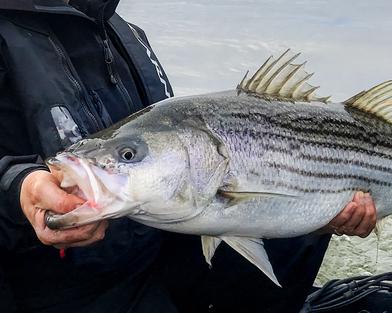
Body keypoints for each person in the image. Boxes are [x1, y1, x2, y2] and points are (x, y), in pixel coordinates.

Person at [0, 1, 377, 312]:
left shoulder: (124, 33)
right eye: (127, 155)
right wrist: (18, 188)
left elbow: (176, 159)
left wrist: (318, 212)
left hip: (167, 272)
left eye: (128, 155)